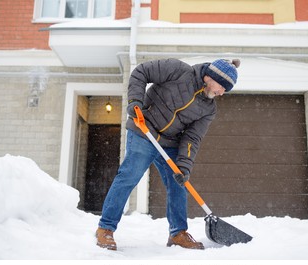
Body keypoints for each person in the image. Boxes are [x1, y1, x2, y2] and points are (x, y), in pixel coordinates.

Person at [96, 58, 240, 250]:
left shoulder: (209, 109)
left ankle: (178, 233)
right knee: (130, 175)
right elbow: (141, 72)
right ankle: (105, 229)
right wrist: (135, 101)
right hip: (144, 128)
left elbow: (192, 138)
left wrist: (184, 166)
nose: (222, 93)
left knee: (179, 182)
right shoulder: (178, 70)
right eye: (222, 87)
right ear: (210, 77)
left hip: (170, 142)